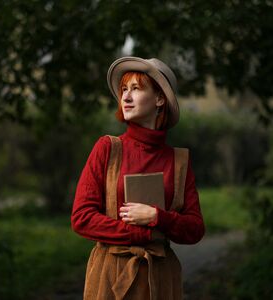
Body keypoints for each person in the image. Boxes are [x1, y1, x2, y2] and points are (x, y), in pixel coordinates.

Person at [71, 56, 205, 300]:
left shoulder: (179, 160)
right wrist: (140, 234)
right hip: (111, 277)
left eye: (136, 88)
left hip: (161, 279)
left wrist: (158, 217)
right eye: (124, 89)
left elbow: (195, 229)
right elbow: (82, 218)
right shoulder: (107, 148)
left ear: (159, 99)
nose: (126, 97)